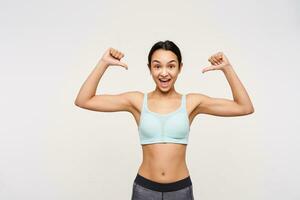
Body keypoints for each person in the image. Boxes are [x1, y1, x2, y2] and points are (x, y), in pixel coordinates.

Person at [74, 40, 254, 200]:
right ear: (149, 68)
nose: (164, 73)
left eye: (171, 66)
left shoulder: (191, 102)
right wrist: (103, 63)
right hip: (145, 190)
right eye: (157, 66)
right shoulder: (137, 101)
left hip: (180, 190)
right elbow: (84, 100)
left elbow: (244, 107)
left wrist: (227, 68)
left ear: (180, 68)